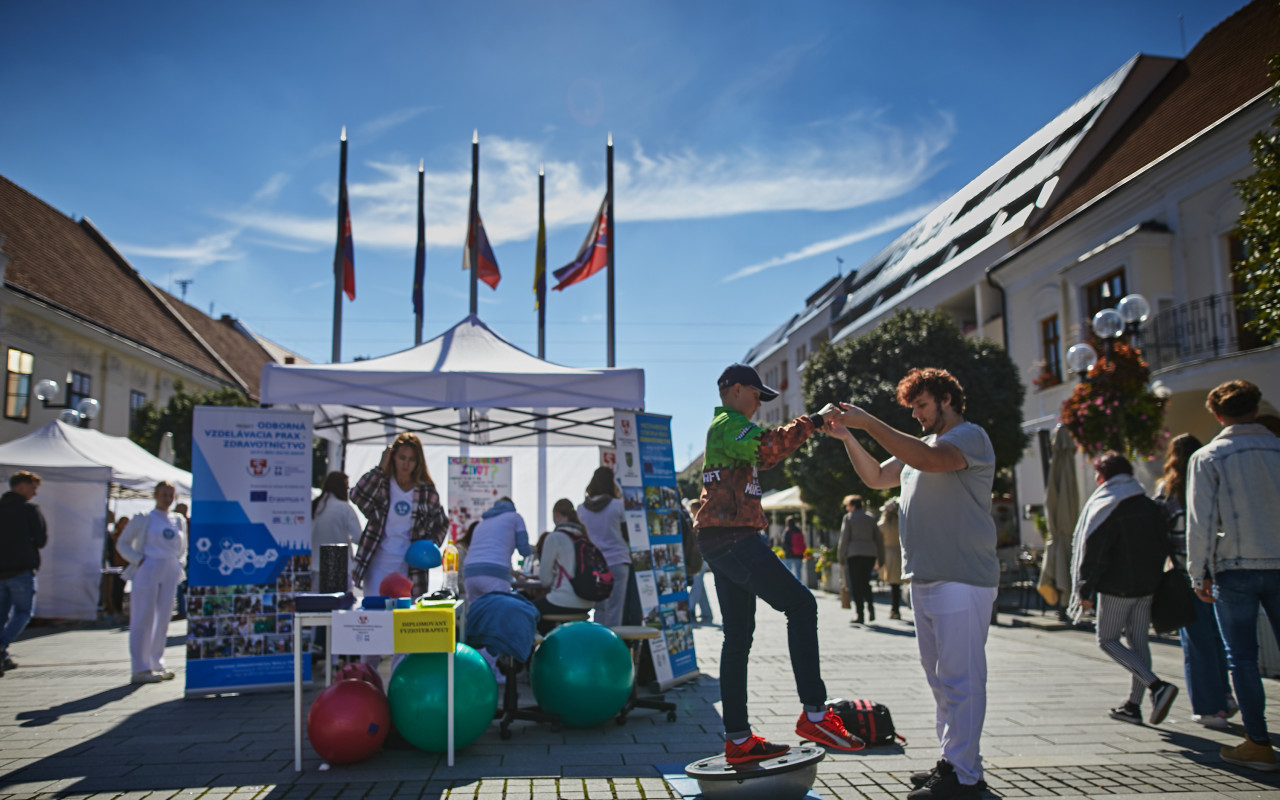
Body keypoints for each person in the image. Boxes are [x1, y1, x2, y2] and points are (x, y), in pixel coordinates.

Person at [824, 367, 998, 799]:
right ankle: (955, 762)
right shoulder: (921, 446)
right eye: (912, 408)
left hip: (962, 577)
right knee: (941, 681)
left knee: (962, 679)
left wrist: (869, 422)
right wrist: (849, 436)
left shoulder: (969, 437)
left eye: (921, 405)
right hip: (926, 576)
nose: (916, 415)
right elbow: (877, 478)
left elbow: (929, 461)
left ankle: (965, 776)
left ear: (946, 399)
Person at [695, 363, 860, 765]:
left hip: (722, 537)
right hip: (733, 536)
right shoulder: (726, 424)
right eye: (756, 395)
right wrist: (816, 421)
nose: (759, 405)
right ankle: (815, 715)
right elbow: (769, 448)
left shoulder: (731, 429)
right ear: (735, 389)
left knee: (738, 636)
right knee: (802, 605)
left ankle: (737, 739)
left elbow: (764, 458)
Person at [1187, 379, 1280, 772]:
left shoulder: (1209, 457)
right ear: (1256, 410)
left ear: (1218, 415)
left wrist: (1198, 571)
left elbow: (1201, 522)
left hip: (1234, 567)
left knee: (1242, 658)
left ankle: (1258, 744)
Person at [1067, 451, 1179, 726]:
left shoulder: (1108, 506)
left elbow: (1096, 552)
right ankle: (1132, 705)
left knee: (1107, 640)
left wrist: (1085, 589)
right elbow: (1163, 545)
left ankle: (1157, 686)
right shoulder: (1150, 505)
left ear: (1103, 476)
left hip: (1116, 588)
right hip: (1147, 587)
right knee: (1139, 643)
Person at [1156, 434, 1236, 729]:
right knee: (1218, 639)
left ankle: (1209, 707)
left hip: (1186, 575)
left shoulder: (1167, 492)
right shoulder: (1213, 481)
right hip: (1222, 569)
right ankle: (1225, 696)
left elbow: (1158, 533)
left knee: (1197, 643)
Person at [350, 433, 449, 599]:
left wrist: (428, 546)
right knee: (377, 617)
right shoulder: (382, 483)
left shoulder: (426, 491)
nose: (406, 463)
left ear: (418, 463)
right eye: (402, 457)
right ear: (393, 457)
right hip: (377, 565)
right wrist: (381, 467)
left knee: (404, 620)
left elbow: (442, 523)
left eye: (412, 459)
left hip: (411, 569)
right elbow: (356, 495)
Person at [117, 482, 187, 684]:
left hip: (170, 568)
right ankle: (140, 667)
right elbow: (123, 543)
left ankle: (157, 662)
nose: (167, 498)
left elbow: (183, 547)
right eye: (163, 494)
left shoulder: (178, 520)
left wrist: (178, 563)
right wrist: (138, 560)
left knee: (163, 618)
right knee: (143, 617)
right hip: (148, 567)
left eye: (170, 495)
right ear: (156, 495)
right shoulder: (144, 518)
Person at [0, 471, 47, 676]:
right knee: (23, 612)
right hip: (21, 570)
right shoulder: (28, 510)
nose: (34, 493)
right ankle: (1, 647)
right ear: (21, 487)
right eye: (33, 488)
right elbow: (41, 540)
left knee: (1, 615)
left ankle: (3, 656)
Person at [577, 467, 631, 628]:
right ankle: (612, 647)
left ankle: (598, 643)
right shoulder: (617, 505)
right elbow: (627, 534)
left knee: (599, 608)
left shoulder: (581, 509)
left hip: (595, 564)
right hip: (618, 560)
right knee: (615, 610)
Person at [533, 499, 596, 634]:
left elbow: (545, 580)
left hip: (563, 601)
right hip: (588, 603)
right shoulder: (585, 536)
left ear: (556, 514)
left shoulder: (554, 537)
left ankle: (541, 649)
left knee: (527, 610)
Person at [461, 496, 531, 601]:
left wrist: (512, 572)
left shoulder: (482, 523)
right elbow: (524, 550)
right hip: (494, 575)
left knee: (476, 613)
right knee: (499, 611)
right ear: (512, 506)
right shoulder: (515, 517)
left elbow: (486, 554)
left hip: (469, 572)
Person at [310, 471, 361, 591]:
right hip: (337, 564)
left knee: (314, 607)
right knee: (337, 607)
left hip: (312, 566)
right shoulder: (344, 508)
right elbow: (358, 537)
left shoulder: (313, 505)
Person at [837, 495, 883, 625]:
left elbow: (844, 539)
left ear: (852, 506)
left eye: (847, 506)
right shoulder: (870, 518)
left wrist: (841, 557)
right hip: (870, 553)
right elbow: (878, 539)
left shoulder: (849, 518)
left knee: (856, 585)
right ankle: (871, 608)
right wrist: (881, 557)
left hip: (854, 554)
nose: (847, 509)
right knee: (866, 582)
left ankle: (860, 614)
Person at [685, 500, 714, 624]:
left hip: (699, 556)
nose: (691, 511)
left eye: (692, 509)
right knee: (700, 586)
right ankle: (707, 612)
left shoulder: (701, 519)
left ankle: (690, 609)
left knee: (697, 584)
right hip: (701, 555)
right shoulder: (700, 518)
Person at [877, 499, 905, 619]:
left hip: (888, 554)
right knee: (897, 584)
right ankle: (895, 608)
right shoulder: (901, 523)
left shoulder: (882, 525)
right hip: (900, 553)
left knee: (893, 583)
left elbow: (878, 542)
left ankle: (894, 609)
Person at [781, 515, 807, 582]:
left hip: (789, 555)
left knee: (788, 571)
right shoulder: (798, 530)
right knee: (798, 572)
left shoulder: (787, 531)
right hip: (799, 554)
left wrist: (787, 550)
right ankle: (799, 586)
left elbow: (784, 543)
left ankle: (789, 585)